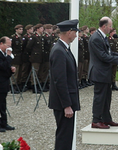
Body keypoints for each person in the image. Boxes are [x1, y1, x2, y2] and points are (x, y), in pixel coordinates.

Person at [88, 16, 118, 129]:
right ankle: (96, 120)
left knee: (107, 97)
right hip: (99, 72)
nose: (111, 28)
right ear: (104, 26)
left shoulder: (103, 37)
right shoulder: (96, 38)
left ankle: (106, 119)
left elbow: (109, 52)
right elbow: (103, 56)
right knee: (100, 97)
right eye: (110, 26)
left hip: (105, 72)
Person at [48, 19, 80, 150]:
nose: (76, 35)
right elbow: (59, 81)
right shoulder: (59, 51)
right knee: (64, 137)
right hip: (63, 103)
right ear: (69, 32)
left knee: (67, 136)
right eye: (75, 32)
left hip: (67, 100)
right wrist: (66, 105)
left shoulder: (64, 49)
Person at [0, 36, 16, 132]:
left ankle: (4, 123)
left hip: (4, 81)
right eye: (7, 46)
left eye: (10, 46)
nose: (9, 48)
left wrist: (11, 69)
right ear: (1, 44)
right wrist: (9, 56)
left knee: (3, 104)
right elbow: (2, 67)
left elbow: (6, 66)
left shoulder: (3, 54)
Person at [26, 23, 45, 93]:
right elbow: (28, 47)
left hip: (40, 57)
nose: (42, 29)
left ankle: (38, 85)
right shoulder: (34, 37)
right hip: (35, 57)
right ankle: (34, 86)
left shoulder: (41, 37)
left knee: (40, 72)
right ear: (37, 29)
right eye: (41, 28)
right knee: (35, 72)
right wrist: (32, 54)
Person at [20, 24, 34, 91]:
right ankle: (23, 84)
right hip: (26, 56)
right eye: (31, 29)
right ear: (28, 30)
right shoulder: (25, 37)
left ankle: (29, 83)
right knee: (25, 70)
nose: (32, 30)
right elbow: (24, 47)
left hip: (31, 56)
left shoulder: (32, 37)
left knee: (29, 70)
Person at [11, 24, 24, 93]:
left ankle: (18, 86)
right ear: (16, 30)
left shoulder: (21, 38)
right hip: (15, 57)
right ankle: (13, 86)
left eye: (22, 29)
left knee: (20, 73)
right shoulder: (13, 38)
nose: (21, 31)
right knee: (15, 73)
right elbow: (11, 48)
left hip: (20, 57)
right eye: (20, 29)